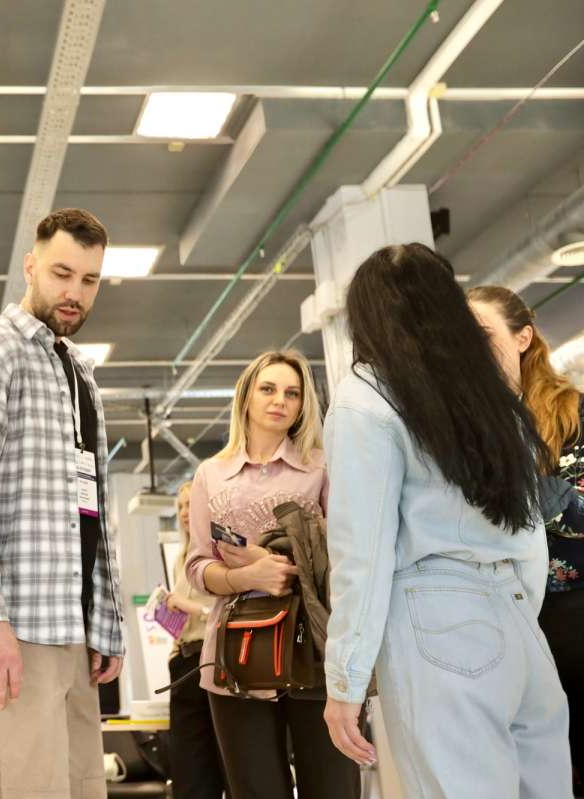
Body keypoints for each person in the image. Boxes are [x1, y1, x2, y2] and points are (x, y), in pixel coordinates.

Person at [322, 243, 570, 797]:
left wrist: (345, 681)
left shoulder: (367, 398)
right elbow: (527, 530)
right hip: (518, 620)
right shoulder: (490, 393)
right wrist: (516, 615)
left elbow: (363, 554)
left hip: (436, 623)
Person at [0, 208, 124, 799]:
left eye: (89, 280)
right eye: (61, 274)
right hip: (13, 626)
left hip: (72, 630)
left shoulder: (79, 372)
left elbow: (92, 510)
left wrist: (107, 621)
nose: (74, 293)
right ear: (30, 266)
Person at [184, 350, 358, 799]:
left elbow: (348, 556)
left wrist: (278, 562)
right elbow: (198, 566)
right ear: (246, 396)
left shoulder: (321, 468)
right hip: (236, 656)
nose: (280, 400)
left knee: (334, 788)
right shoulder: (211, 474)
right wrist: (248, 577)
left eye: (292, 393)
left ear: (302, 406)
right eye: (268, 388)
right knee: (255, 791)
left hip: (314, 650)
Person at [468, 284, 584, 793]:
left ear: (523, 338)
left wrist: (531, 496)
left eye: (483, 334)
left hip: (571, 614)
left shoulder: (573, 412)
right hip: (499, 621)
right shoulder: (463, 428)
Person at [164, 481, 223, 799]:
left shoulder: (220, 552)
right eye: (180, 507)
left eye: (191, 504)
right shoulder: (180, 559)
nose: (185, 512)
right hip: (184, 663)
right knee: (189, 767)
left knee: (225, 760)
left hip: (213, 658)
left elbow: (219, 612)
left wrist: (189, 607)